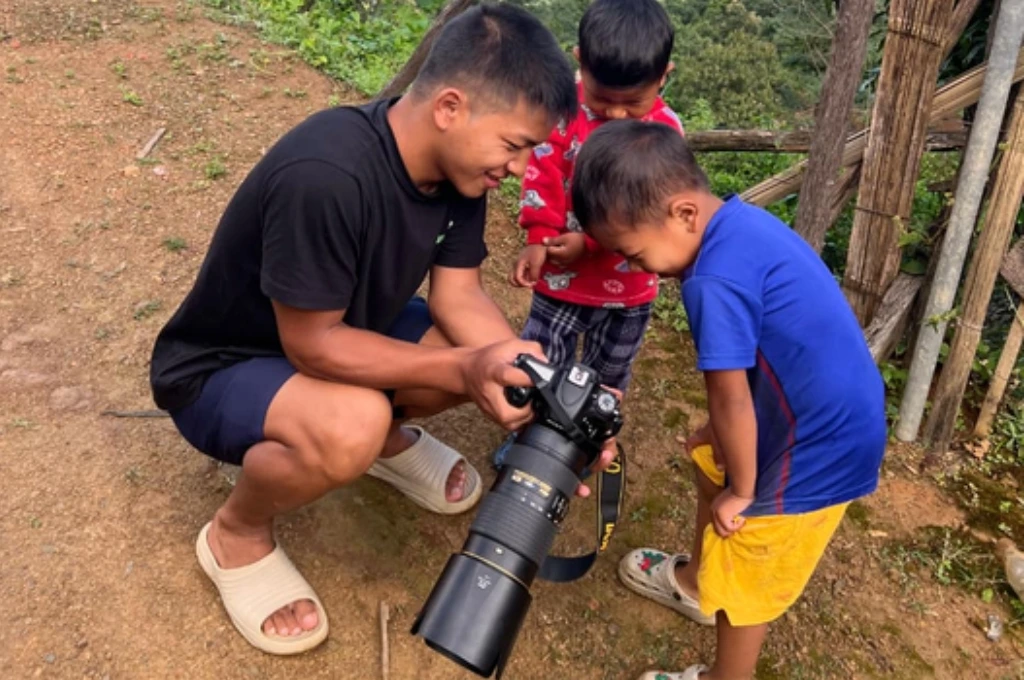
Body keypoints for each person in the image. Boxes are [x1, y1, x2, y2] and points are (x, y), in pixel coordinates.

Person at [148, 3, 616, 656]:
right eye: (515, 145)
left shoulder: (460, 171)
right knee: (354, 423)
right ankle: (237, 532)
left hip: (343, 329)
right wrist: (464, 370)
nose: (518, 168)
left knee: (484, 353)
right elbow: (310, 345)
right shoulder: (328, 174)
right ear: (450, 107)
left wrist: (539, 386)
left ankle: (384, 445)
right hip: (225, 366)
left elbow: (459, 296)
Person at [570, 120, 887, 680]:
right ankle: (695, 587)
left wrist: (744, 492)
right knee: (709, 459)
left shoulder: (710, 281)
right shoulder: (740, 225)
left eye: (633, 252)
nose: (632, 267)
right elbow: (755, 372)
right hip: (820, 413)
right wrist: (721, 444)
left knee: (747, 562)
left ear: (684, 215)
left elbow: (732, 398)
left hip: (818, 448)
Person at [493, 0, 683, 468]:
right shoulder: (564, 115)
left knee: (607, 377)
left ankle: (582, 445)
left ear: (664, 76)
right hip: (561, 281)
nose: (617, 114)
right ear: (580, 61)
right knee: (539, 364)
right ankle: (532, 443)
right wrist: (539, 235)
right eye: (602, 100)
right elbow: (542, 172)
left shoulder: (665, 134)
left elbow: (652, 215)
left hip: (629, 292)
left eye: (632, 103)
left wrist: (592, 244)